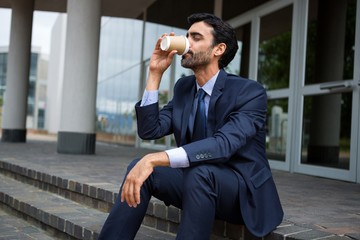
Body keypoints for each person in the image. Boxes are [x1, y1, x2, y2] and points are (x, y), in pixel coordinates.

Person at [98, 12, 283, 240]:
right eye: (187, 37)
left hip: (242, 193)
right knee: (142, 168)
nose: (187, 43)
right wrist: (155, 74)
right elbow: (150, 130)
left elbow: (223, 145)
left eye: (196, 38)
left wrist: (154, 158)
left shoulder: (249, 92)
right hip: (198, 185)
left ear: (218, 49)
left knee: (197, 172)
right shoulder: (184, 88)